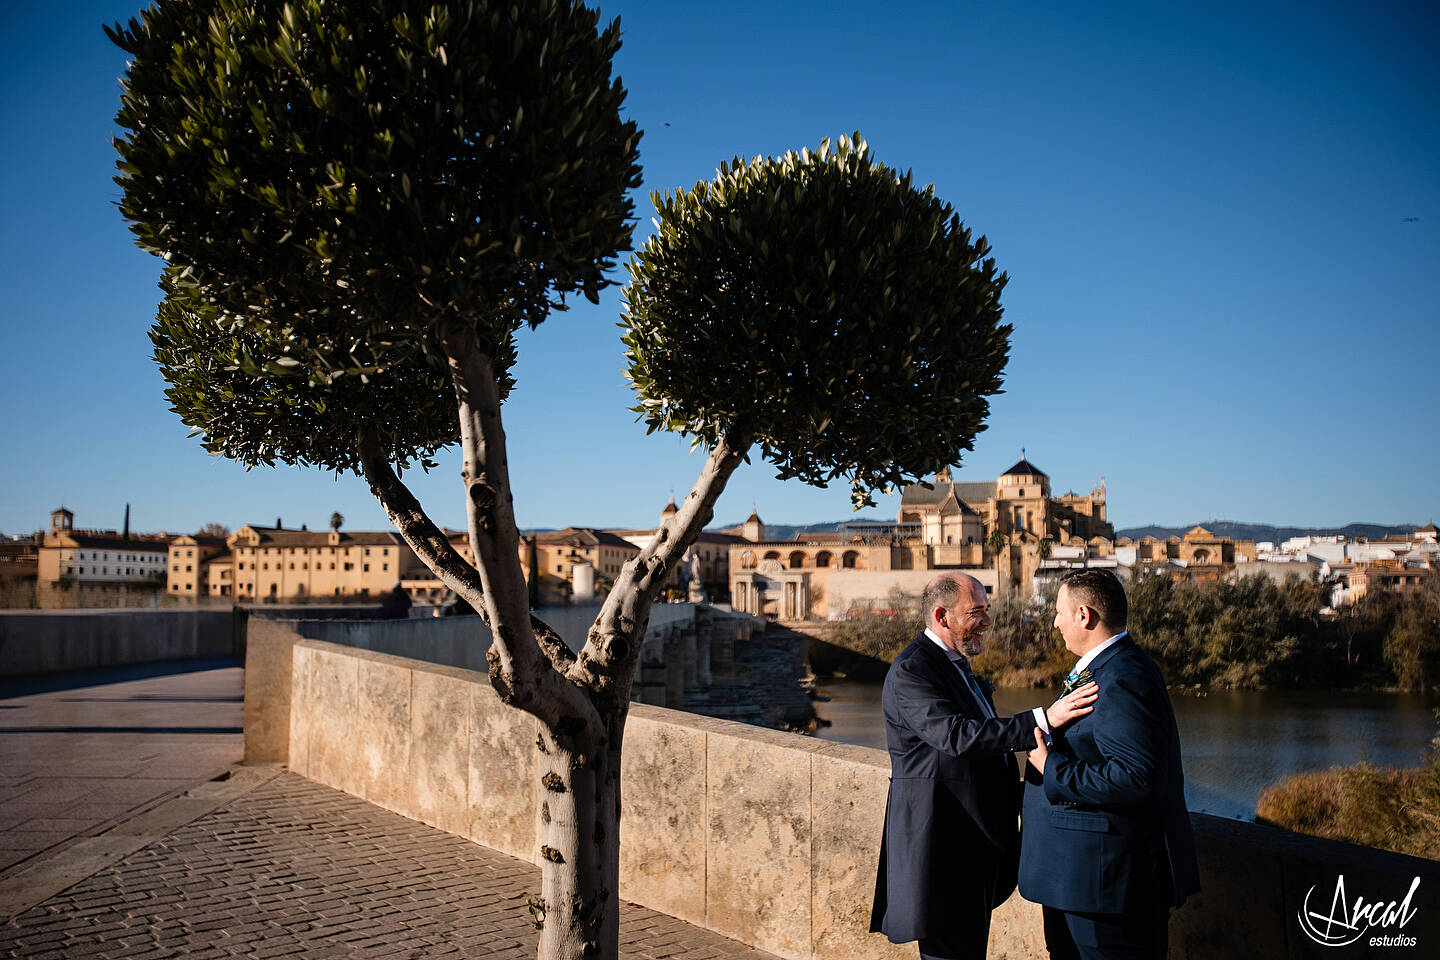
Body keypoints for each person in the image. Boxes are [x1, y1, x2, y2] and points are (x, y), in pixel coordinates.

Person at [871, 573, 1099, 960]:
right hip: (940, 849)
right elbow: (957, 737)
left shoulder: (955, 665)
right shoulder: (913, 670)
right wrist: (1043, 719)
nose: (988, 621)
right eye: (976, 612)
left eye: (986, 610)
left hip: (971, 846)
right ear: (942, 616)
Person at [1019, 569, 1200, 960]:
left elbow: (1136, 777)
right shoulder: (1106, 667)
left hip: (1107, 887)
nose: (1054, 622)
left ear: (1084, 616)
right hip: (1079, 879)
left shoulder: (1123, 675)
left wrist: (1051, 767)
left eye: (1058, 612)